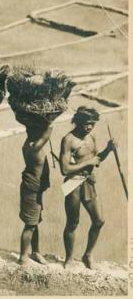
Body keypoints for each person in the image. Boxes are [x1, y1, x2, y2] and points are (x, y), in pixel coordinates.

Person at [59, 106, 115, 269]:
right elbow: (65, 169)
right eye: (87, 124)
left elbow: (96, 159)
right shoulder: (68, 139)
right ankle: (69, 259)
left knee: (99, 221)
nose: (90, 127)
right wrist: (88, 163)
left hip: (89, 181)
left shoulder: (92, 136)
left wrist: (108, 150)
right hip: (73, 183)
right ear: (79, 121)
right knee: (73, 223)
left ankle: (88, 255)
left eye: (92, 124)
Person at [17, 113, 53, 266]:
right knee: (30, 224)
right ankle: (23, 257)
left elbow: (44, 136)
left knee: (35, 221)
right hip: (31, 189)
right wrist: (50, 122)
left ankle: (35, 252)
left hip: (36, 189)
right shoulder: (33, 146)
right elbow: (47, 134)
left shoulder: (32, 143)